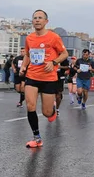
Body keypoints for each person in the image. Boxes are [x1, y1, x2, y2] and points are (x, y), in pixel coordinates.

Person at [19, 10, 68, 148]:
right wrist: (23, 66)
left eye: (40, 18)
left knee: (46, 113)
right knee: (30, 106)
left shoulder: (54, 37)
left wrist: (53, 62)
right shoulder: (29, 38)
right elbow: (27, 55)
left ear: (46, 21)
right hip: (32, 76)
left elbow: (64, 54)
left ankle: (51, 109)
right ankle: (37, 138)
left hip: (49, 78)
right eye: (34, 18)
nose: (37, 20)